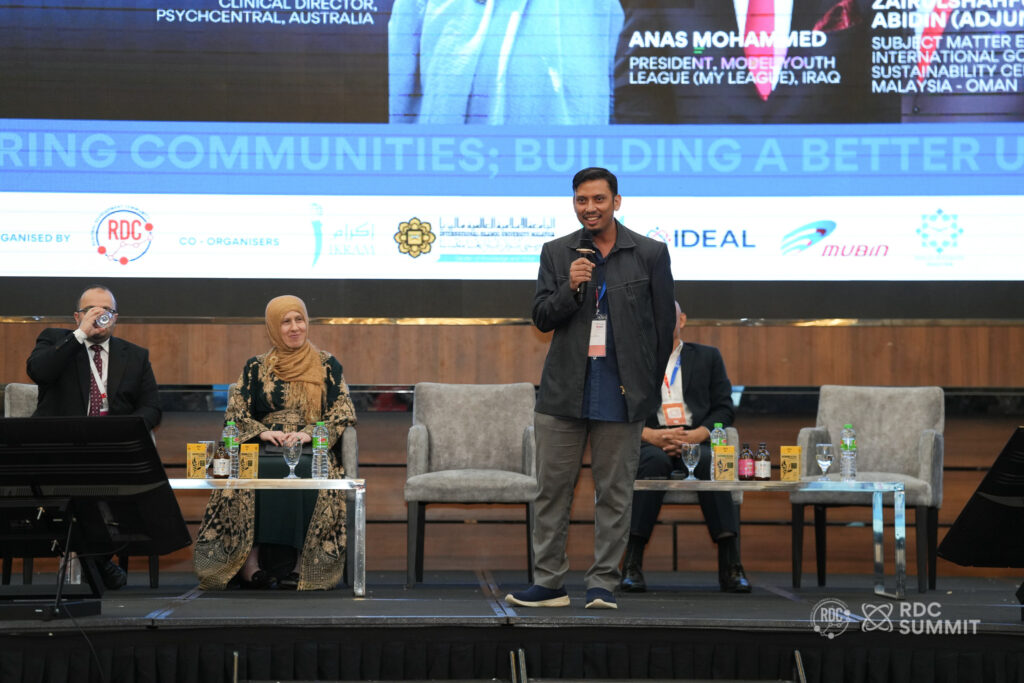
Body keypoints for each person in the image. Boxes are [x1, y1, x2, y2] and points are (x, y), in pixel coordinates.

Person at [506, 167, 675, 610]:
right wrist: (571, 286)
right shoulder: (557, 252)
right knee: (551, 491)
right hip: (564, 391)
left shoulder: (650, 253)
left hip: (621, 391)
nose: (590, 208)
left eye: (599, 199)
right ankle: (549, 583)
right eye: (582, 200)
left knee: (614, 494)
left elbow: (662, 329)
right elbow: (542, 318)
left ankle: (603, 583)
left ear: (616, 202)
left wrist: (646, 388)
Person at [193, 295, 356, 591]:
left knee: (305, 468)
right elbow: (235, 414)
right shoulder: (255, 367)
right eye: (285, 322)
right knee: (250, 470)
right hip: (263, 445)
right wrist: (262, 432)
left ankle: (302, 565)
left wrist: (309, 432)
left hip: (312, 447)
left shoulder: (327, 365)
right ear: (272, 327)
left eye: (299, 320)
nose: (295, 328)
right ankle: (249, 565)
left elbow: (342, 413)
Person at [26, 284, 162, 589]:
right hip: (60, 448)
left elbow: (152, 407)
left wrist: (121, 433)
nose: (99, 316)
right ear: (77, 316)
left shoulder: (135, 356)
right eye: (91, 310)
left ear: (116, 318)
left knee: (116, 481)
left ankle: (91, 559)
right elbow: (38, 372)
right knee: (77, 482)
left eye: (106, 311)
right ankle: (98, 562)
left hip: (110, 449)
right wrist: (79, 336)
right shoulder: (55, 340)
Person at [620, 303, 751, 594]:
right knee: (653, 464)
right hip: (653, 439)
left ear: (682, 320)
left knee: (713, 465)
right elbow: (619, 408)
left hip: (696, 438)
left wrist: (699, 434)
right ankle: (631, 564)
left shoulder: (708, 357)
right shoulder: (634, 359)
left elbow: (724, 409)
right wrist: (649, 435)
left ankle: (731, 565)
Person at [388, 0, 623, 124]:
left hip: (554, 169)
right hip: (447, 169)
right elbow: (398, 90)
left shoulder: (599, 5)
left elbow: (613, 96)